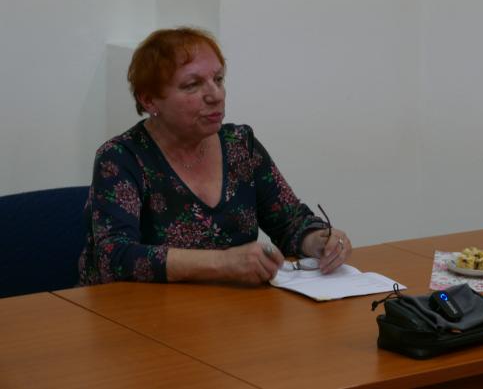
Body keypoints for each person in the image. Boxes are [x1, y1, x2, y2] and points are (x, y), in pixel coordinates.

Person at [78, 27, 351, 286]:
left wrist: (318, 240)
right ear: (149, 100)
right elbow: (114, 258)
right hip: (138, 311)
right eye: (192, 85)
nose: (216, 95)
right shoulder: (120, 158)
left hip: (231, 307)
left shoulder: (240, 145)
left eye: (218, 79)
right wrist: (223, 263)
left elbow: (291, 222)